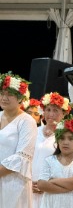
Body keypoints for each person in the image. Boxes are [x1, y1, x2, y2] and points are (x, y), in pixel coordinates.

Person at [0, 71, 37, 208]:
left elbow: (21, 158)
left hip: (13, 184)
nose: (4, 98)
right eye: (2, 93)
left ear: (21, 98)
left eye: (10, 94)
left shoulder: (27, 122)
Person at [37, 116, 73, 208]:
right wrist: (69, 188)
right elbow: (41, 184)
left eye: (70, 139)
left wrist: (53, 181)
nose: (65, 142)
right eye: (62, 138)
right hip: (51, 203)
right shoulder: (49, 161)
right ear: (57, 141)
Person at [32, 91, 71, 208]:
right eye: (48, 110)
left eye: (56, 110)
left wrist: (47, 185)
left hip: (48, 189)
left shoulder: (66, 137)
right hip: (27, 184)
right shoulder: (34, 130)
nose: (51, 114)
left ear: (63, 114)